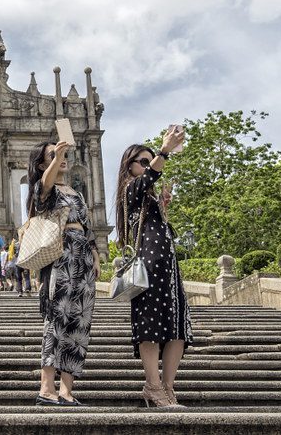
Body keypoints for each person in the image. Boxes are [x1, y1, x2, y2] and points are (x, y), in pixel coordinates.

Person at [115, 131, 193, 408]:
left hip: (169, 270)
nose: (148, 167)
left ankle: (168, 389)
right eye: (143, 162)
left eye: (150, 161)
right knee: (150, 326)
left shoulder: (148, 199)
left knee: (177, 329)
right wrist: (164, 151)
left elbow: (159, 230)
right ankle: (153, 386)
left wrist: (163, 207)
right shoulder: (131, 190)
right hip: (147, 269)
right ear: (130, 166)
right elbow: (151, 176)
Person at [29, 140, 100, 407]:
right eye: (53, 155)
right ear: (42, 164)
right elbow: (44, 187)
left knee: (80, 322)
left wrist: (94, 255)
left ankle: (67, 390)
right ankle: (46, 388)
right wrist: (56, 156)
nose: (62, 158)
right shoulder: (45, 189)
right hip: (61, 254)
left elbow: (87, 225)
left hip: (82, 255)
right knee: (57, 318)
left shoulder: (76, 193)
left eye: (62, 154)